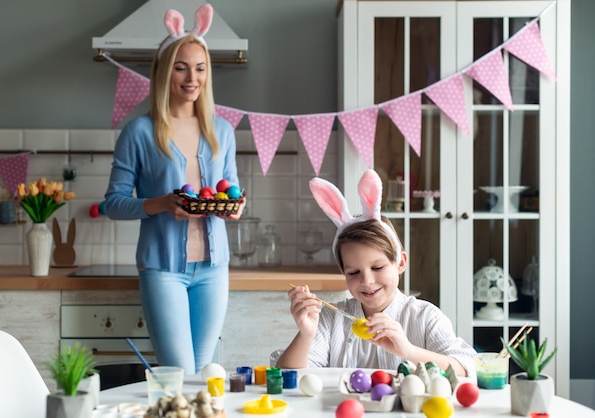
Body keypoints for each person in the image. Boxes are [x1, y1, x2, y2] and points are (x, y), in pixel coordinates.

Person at [104, 4, 244, 375]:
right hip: (162, 269)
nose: (191, 78)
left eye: (200, 68)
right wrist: (161, 204)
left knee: (203, 373)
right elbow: (113, 204)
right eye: (181, 67)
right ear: (164, 72)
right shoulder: (139, 132)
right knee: (179, 373)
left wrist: (234, 207)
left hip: (214, 269)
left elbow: (231, 189)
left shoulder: (222, 131)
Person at [271, 170, 475, 377]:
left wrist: (407, 350)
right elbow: (285, 377)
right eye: (353, 272)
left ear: (400, 263)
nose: (367, 281)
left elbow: (465, 369)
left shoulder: (425, 317)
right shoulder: (330, 318)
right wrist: (306, 334)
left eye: (377, 268)